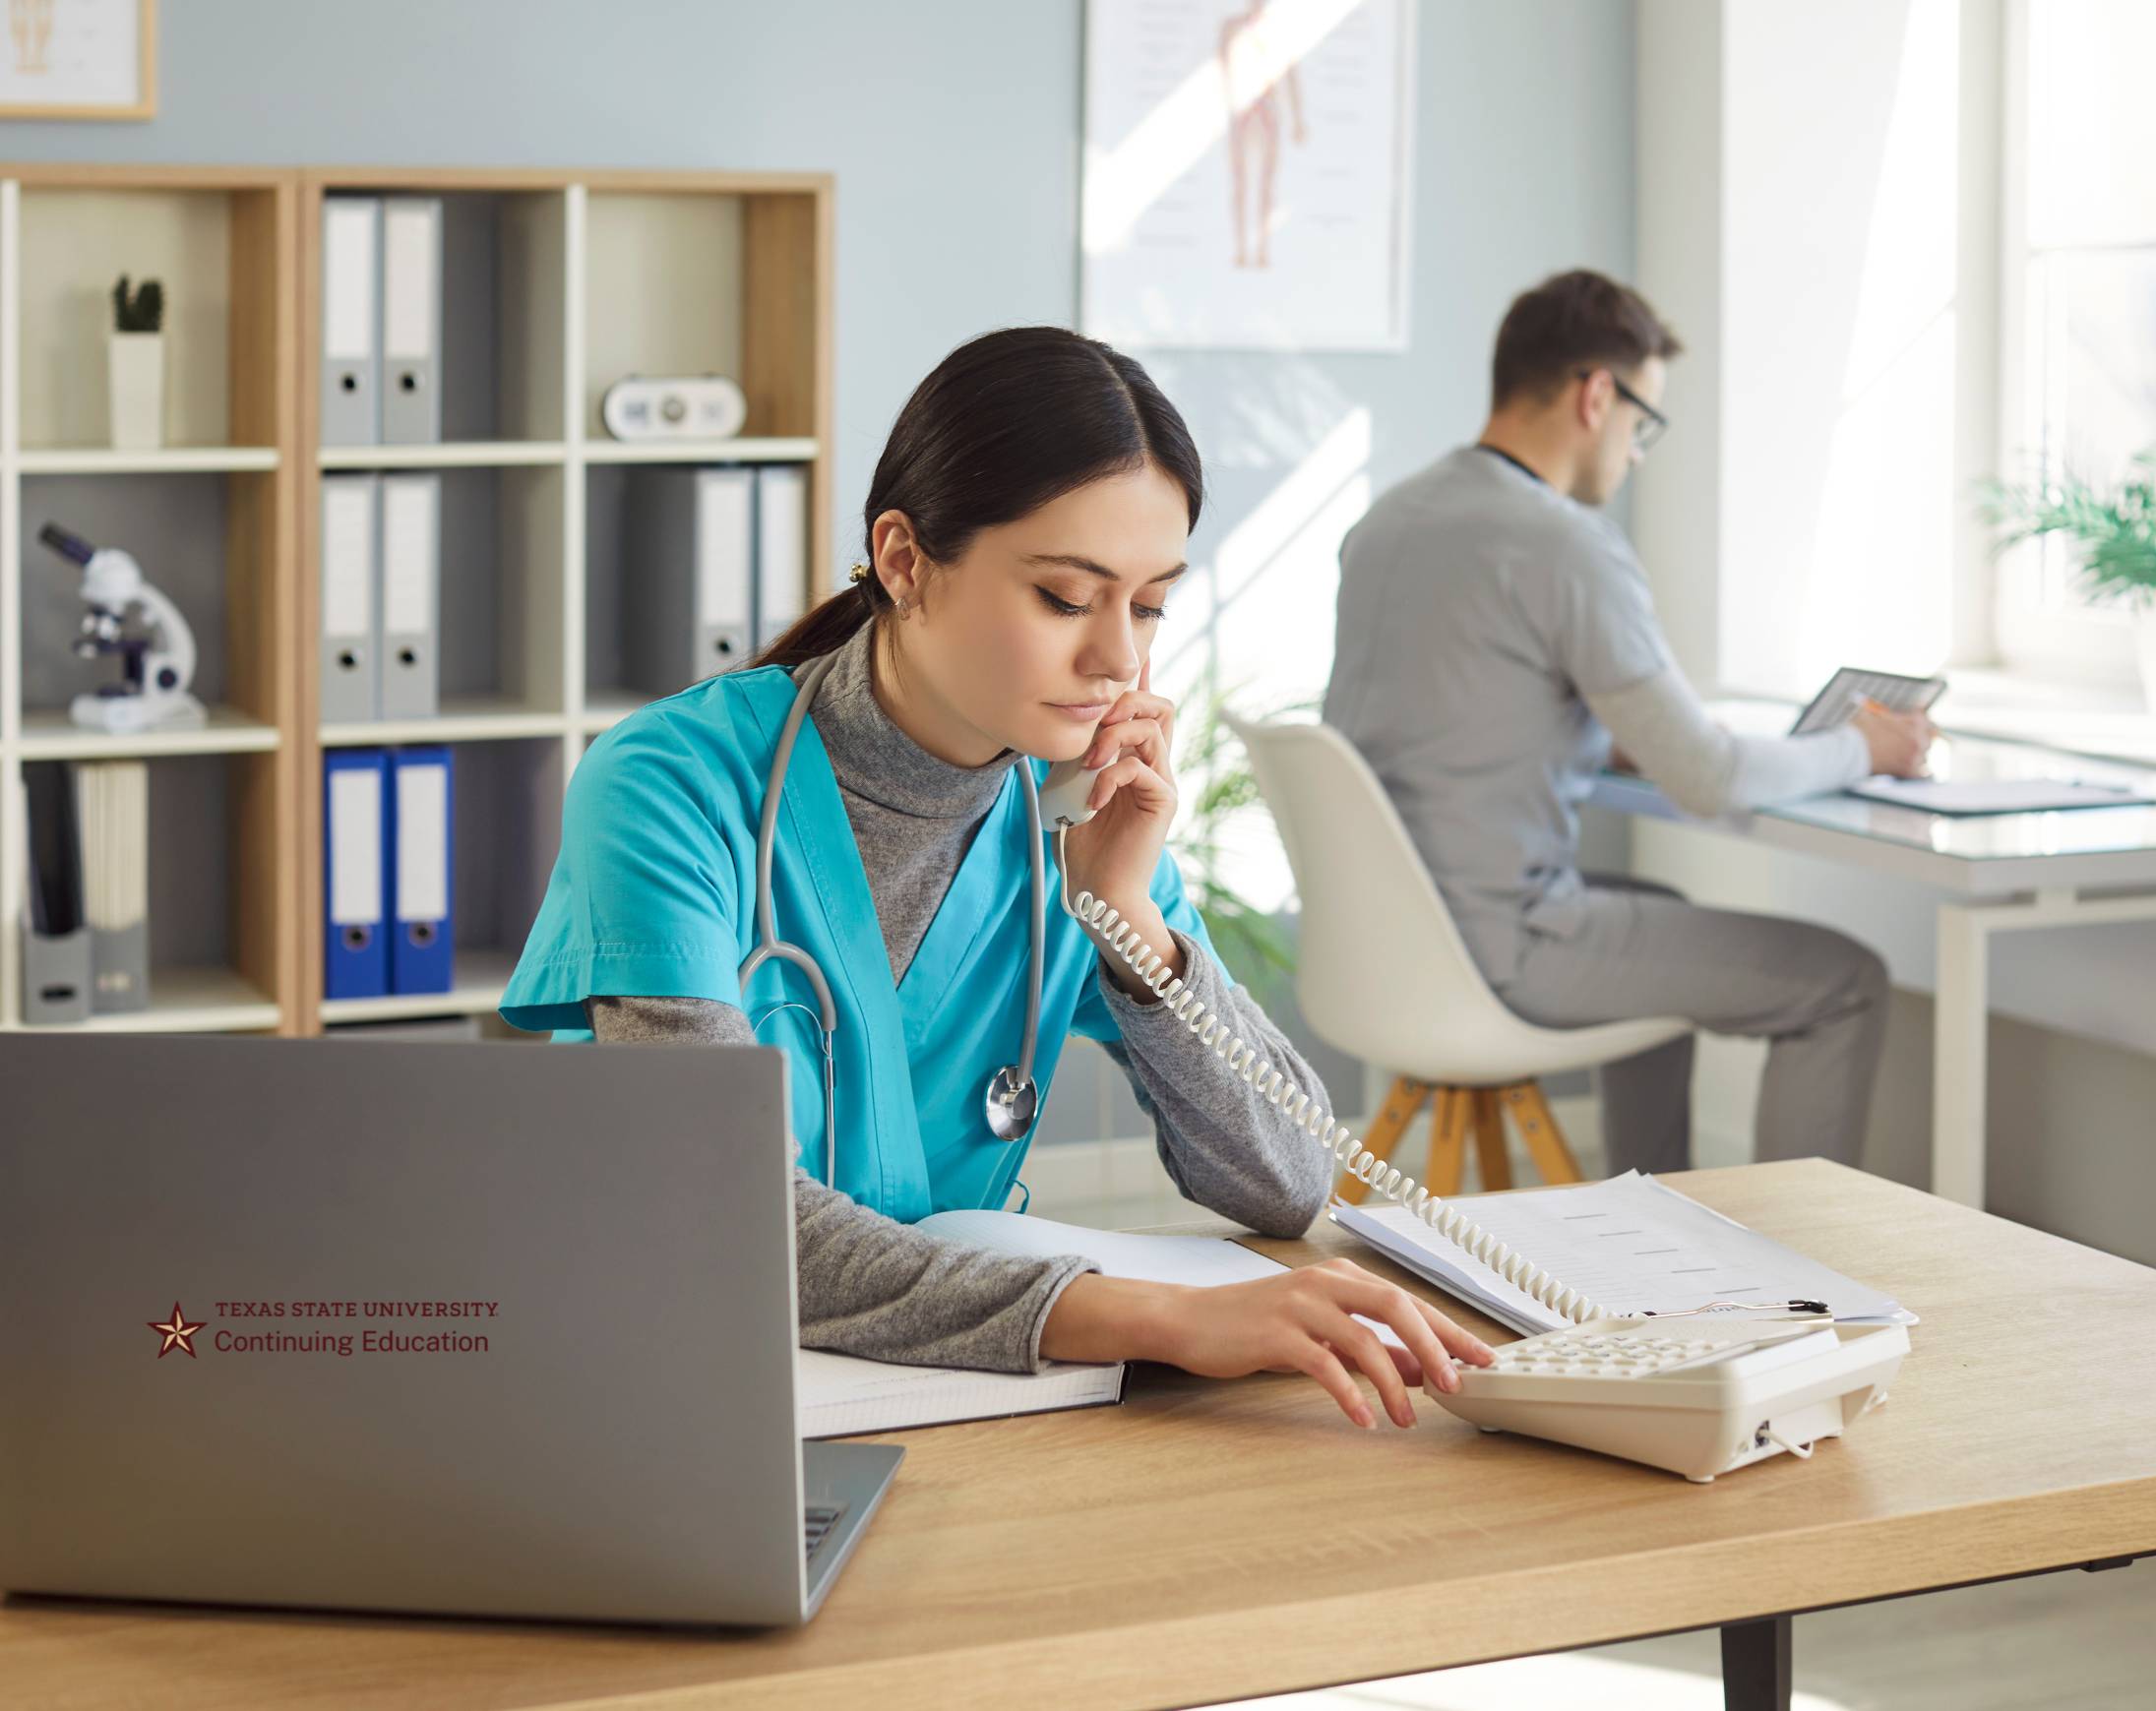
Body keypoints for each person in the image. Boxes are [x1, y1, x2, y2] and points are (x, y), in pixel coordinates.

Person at [502, 327, 1491, 1432]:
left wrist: (1131, 926)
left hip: (924, 1390)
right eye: (1069, 597)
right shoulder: (670, 786)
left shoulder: (1073, 816)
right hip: (657, 1386)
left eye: (1150, 603)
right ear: (905, 560)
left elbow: (1287, 1180)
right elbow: (717, 1217)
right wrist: (1151, 1317)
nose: (1120, 656)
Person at [1323, 271, 1935, 1173]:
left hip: (1384, 950)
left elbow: (1455, 718)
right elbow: (1710, 779)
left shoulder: (1388, 521)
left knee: (1662, 911)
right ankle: (1803, 1274)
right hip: (1507, 946)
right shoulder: (1562, 542)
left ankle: (1654, 1222)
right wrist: (1865, 745)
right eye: (1643, 423)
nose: (1638, 452)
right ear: (1597, 393)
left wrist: (1600, 731)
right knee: (1844, 983)